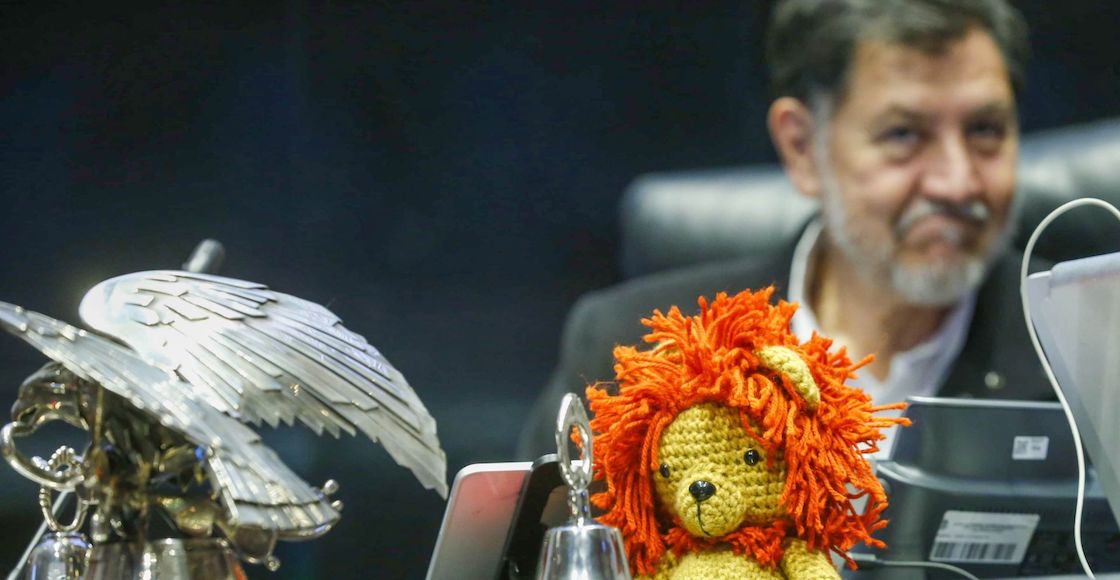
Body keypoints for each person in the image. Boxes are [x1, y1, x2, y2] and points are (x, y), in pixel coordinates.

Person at [517, 0, 1053, 460]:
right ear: (802, 148)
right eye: (904, 135)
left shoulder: (1080, 345)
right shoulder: (634, 356)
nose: (958, 182)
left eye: (985, 130)